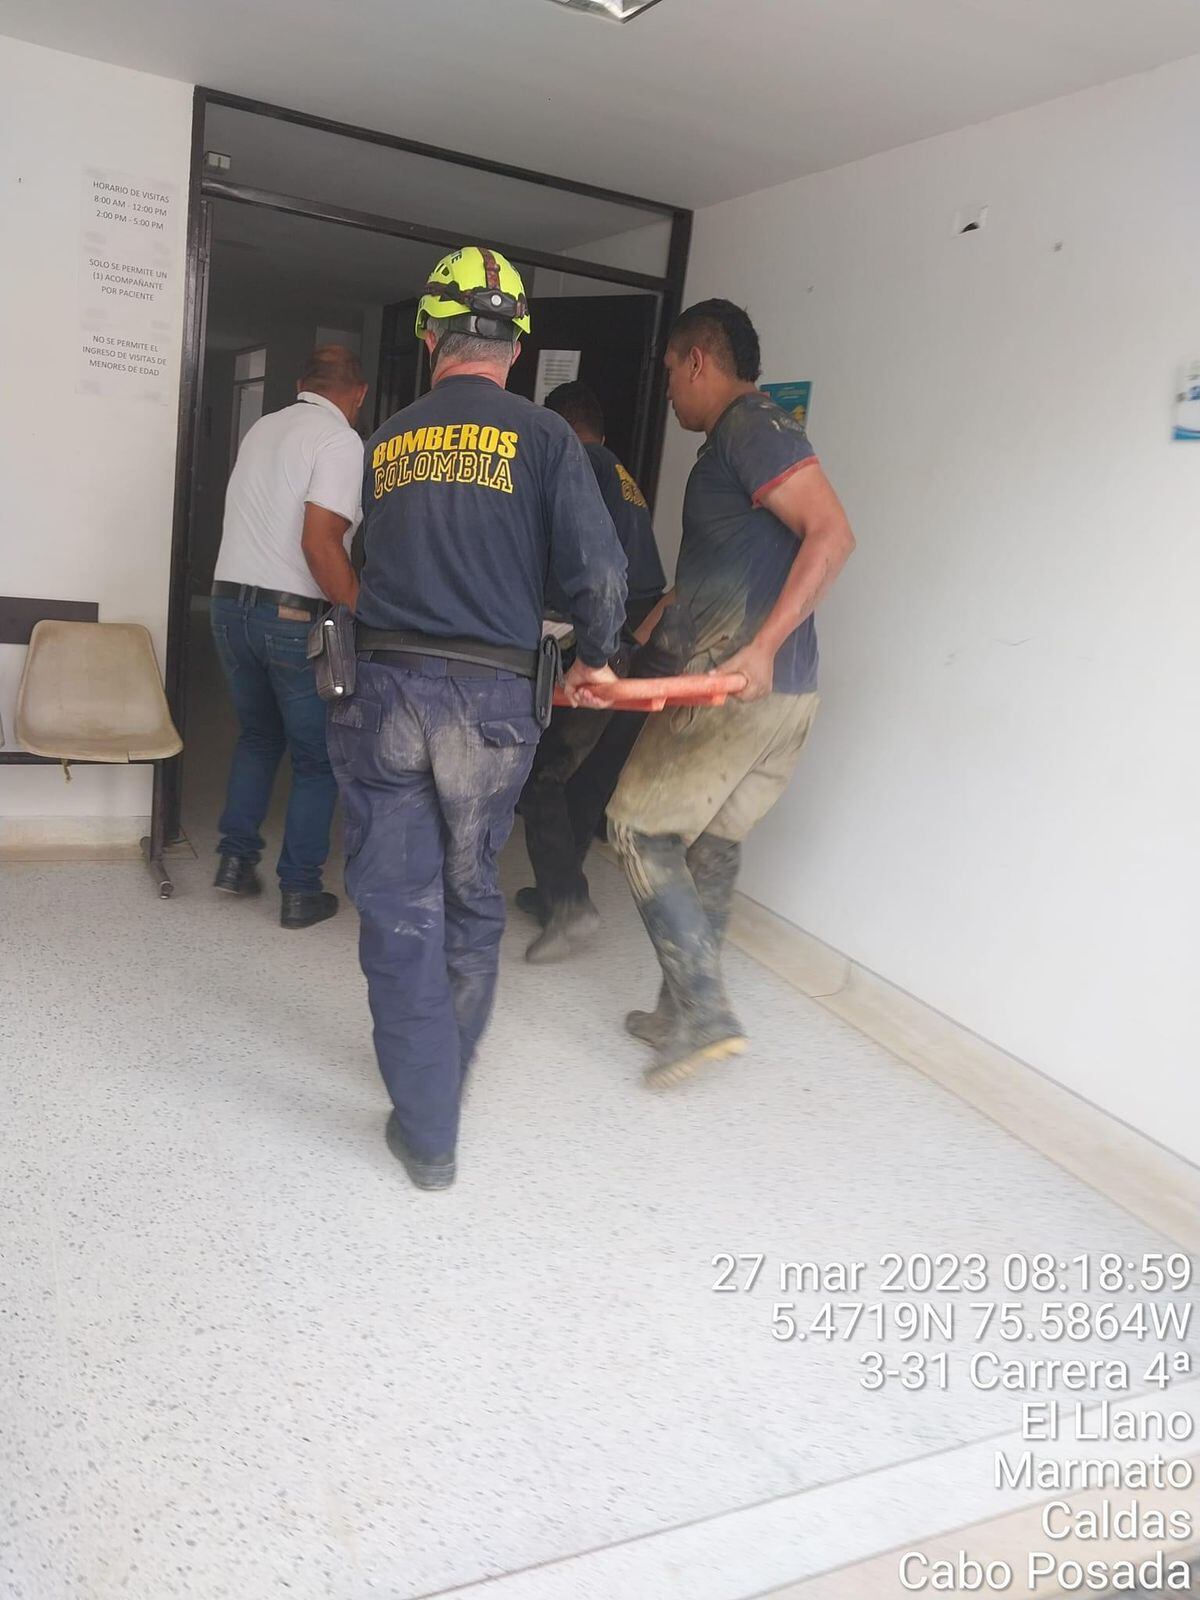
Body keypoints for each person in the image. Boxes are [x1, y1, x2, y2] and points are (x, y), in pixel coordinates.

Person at [322, 246, 625, 1190]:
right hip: (495, 707)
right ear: (518, 348)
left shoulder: (386, 443)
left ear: (428, 337)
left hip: (388, 691)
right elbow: (601, 574)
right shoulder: (547, 440)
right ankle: (440, 1089)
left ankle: (427, 1123)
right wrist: (598, 657)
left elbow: (373, 560)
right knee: (469, 894)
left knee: (398, 905)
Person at [607, 299, 856, 1090]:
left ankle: (706, 1009)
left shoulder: (752, 427)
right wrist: (646, 634)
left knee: (635, 830)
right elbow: (720, 571)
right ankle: (682, 1012)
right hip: (781, 697)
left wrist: (759, 648)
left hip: (734, 689)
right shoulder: (739, 443)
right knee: (709, 846)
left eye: (673, 373)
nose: (672, 392)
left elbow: (832, 532)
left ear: (699, 361)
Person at [210, 345, 367, 928]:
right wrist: (359, 606)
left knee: (256, 738)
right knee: (316, 759)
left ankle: (234, 862)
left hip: (228, 607)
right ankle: (300, 892)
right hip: (291, 616)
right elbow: (320, 542)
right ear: (358, 395)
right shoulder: (340, 440)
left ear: (302, 383)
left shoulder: (263, 429)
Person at [516, 380, 666, 964]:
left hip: (592, 643)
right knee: (585, 778)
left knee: (540, 774)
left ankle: (569, 902)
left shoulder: (578, 462)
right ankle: (557, 893)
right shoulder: (622, 475)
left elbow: (580, 558)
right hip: (634, 640)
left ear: (558, 427)